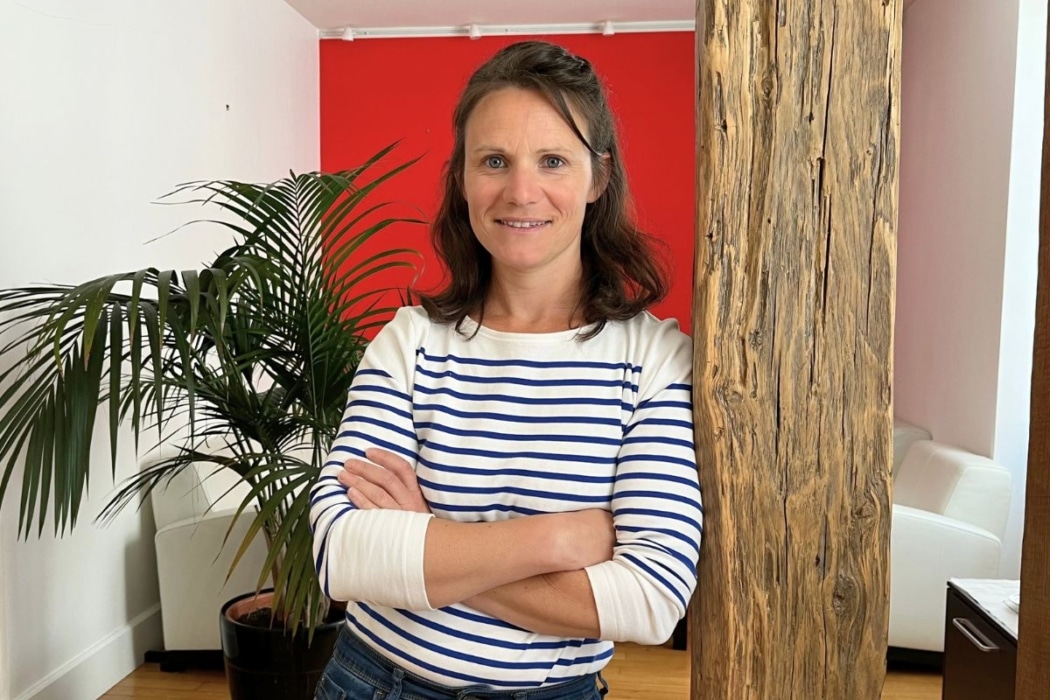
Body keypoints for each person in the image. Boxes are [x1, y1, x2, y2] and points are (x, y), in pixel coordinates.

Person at [309, 40, 703, 700]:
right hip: (371, 683)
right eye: (494, 161)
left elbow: (651, 599)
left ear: (598, 178)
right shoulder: (409, 342)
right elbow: (342, 554)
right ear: (462, 179)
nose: (521, 192)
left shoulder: (654, 360)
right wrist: (558, 540)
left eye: (553, 160)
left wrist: (430, 540)